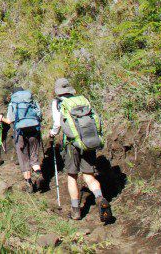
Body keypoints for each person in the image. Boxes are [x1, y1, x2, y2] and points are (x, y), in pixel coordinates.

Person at [49, 78, 112, 223]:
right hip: (87, 141)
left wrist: (52, 133)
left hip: (72, 144)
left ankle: (76, 211)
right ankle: (100, 197)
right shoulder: (82, 100)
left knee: (72, 176)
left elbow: (58, 124)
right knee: (89, 176)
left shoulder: (58, 103)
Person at [0, 87, 43, 192]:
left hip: (20, 133)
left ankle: (29, 183)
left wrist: (1, 118)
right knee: (34, 155)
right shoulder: (32, 101)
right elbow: (40, 116)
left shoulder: (13, 103)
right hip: (34, 130)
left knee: (23, 157)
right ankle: (38, 173)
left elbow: (10, 120)